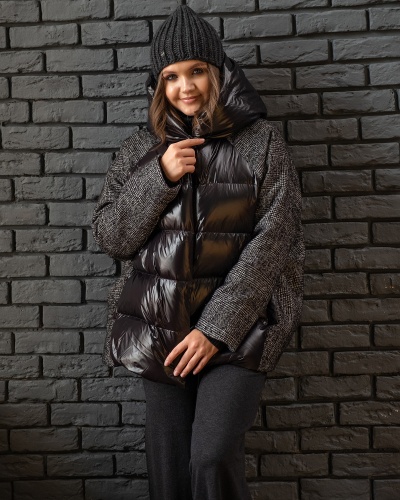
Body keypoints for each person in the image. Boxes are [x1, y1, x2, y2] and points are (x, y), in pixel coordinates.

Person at [92, 5, 304, 500]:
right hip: (161, 327)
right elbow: (112, 238)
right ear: (158, 84)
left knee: (210, 455)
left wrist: (215, 330)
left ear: (218, 72)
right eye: (171, 76)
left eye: (197, 71)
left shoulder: (262, 144)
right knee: (169, 469)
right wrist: (159, 176)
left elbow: (273, 244)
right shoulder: (139, 150)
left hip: (240, 330)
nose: (185, 87)